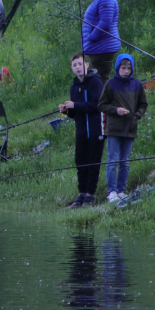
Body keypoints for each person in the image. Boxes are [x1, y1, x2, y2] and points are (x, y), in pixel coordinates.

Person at [98, 54, 148, 203]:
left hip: (130, 128)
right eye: (123, 67)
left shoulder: (137, 85)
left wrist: (137, 115)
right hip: (114, 128)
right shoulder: (110, 84)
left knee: (124, 161)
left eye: (128, 68)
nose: (126, 71)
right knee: (112, 160)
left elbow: (143, 104)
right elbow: (101, 105)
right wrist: (115, 110)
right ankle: (111, 191)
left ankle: (121, 190)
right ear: (117, 68)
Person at [60, 52, 105, 208]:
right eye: (74, 65)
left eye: (80, 64)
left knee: (93, 163)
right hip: (80, 130)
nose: (78, 67)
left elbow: (96, 105)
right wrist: (66, 110)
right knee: (80, 162)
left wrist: (76, 105)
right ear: (72, 68)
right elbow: (74, 114)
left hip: (95, 129)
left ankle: (90, 195)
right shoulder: (74, 87)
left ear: (86, 65)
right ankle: (81, 194)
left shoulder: (96, 82)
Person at [82, 0, 120, 81]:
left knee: (101, 79)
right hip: (98, 47)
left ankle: (106, 99)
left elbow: (105, 23)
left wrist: (91, 38)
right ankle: (102, 98)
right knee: (98, 79)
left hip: (102, 47)